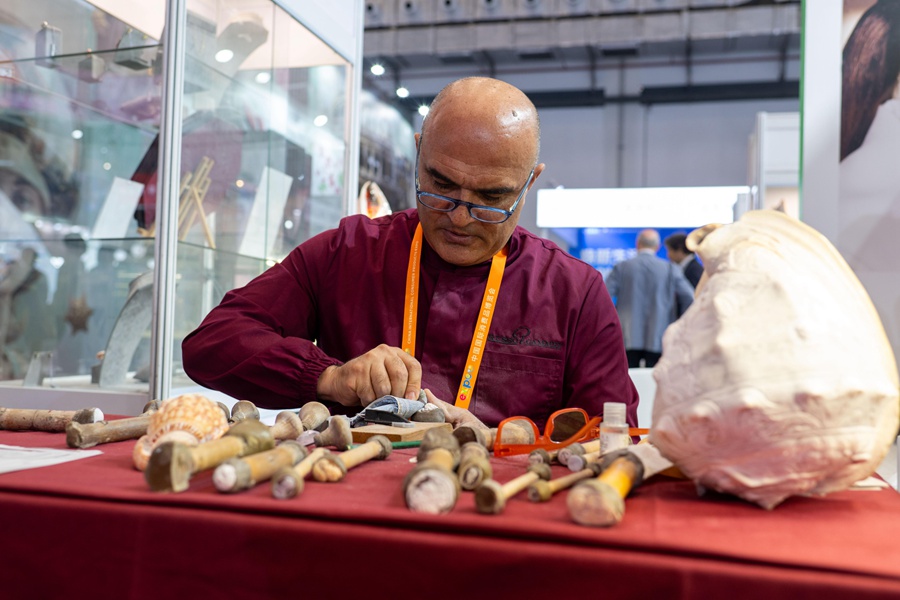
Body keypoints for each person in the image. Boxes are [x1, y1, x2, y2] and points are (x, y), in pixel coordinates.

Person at [182, 76, 639, 431]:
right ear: (418, 155)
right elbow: (212, 343)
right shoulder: (348, 252)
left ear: (529, 183)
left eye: (491, 198)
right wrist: (330, 378)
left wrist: (499, 440)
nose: (460, 217)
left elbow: (613, 434)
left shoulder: (574, 292)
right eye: (440, 185)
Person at [605, 229, 694, 369]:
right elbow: (689, 296)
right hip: (659, 335)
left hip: (628, 335)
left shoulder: (622, 267)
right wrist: (679, 323)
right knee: (655, 381)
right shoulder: (670, 268)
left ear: (637, 244)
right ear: (657, 247)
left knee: (628, 381)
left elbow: (604, 297)